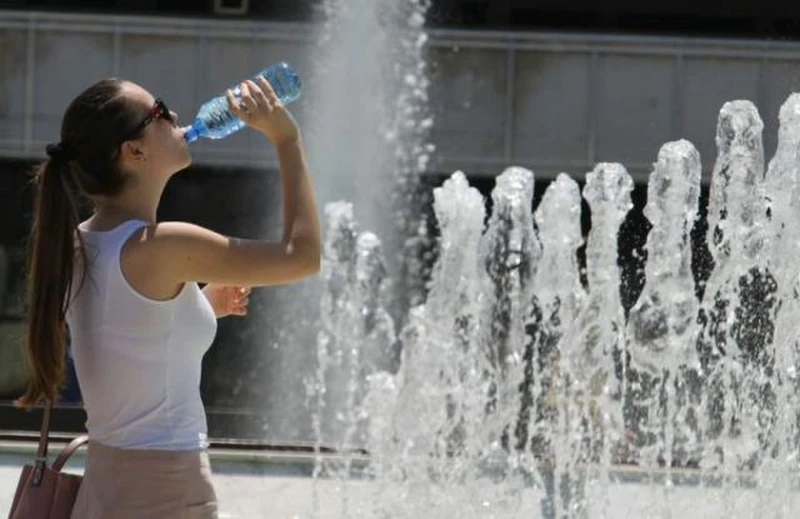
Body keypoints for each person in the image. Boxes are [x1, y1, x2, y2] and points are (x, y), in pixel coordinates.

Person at [15, 75, 321, 518]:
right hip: (167, 488)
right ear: (133, 152)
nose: (175, 116)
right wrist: (287, 140)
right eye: (159, 111)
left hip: (104, 486)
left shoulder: (77, 246)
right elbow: (303, 256)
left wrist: (203, 305)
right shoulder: (163, 246)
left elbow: (130, 335)